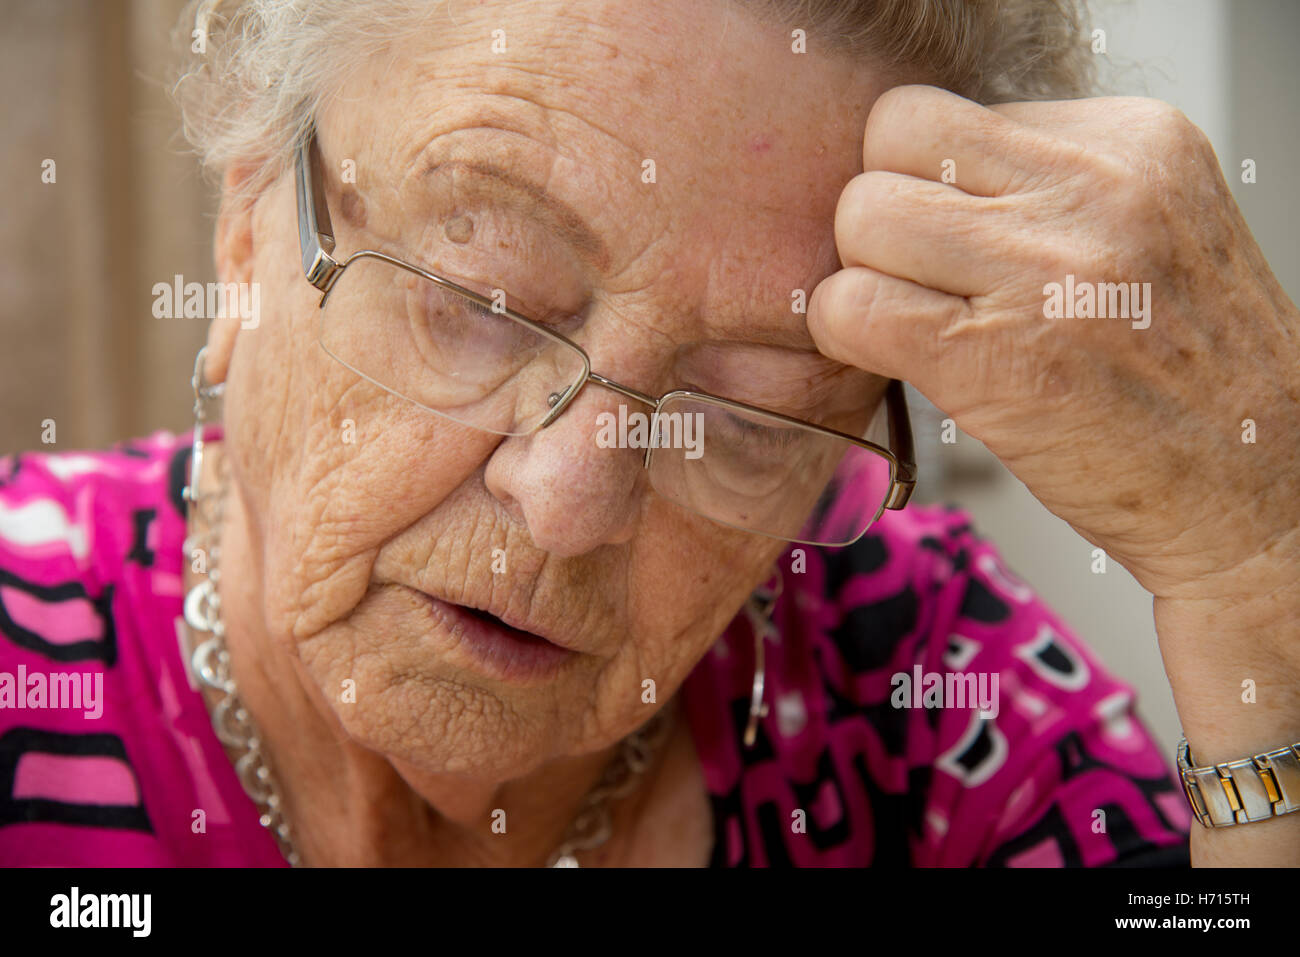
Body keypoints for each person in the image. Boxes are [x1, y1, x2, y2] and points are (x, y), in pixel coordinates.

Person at [1, 0, 1297, 867]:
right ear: (243, 241)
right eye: (478, 296)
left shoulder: (924, 693)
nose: (570, 499)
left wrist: (1260, 571)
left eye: (751, 410)